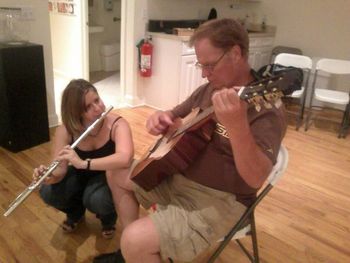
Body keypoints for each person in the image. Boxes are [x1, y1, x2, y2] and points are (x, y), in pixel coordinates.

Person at [94, 18, 287, 262]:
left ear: (236, 53)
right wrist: (160, 118)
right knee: (117, 174)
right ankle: (130, 255)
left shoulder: (267, 108)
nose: (205, 75)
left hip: (220, 200)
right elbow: (173, 115)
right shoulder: (210, 88)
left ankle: (135, 250)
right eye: (200, 65)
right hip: (177, 177)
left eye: (210, 65)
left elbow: (257, 177)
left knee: (135, 239)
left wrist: (237, 126)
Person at [34, 79, 134, 239]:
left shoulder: (117, 124)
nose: (98, 108)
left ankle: (108, 218)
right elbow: (60, 170)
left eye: (97, 100)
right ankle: (75, 211)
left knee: (96, 199)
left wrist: (83, 163)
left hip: (108, 176)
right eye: (88, 107)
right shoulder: (66, 130)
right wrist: (48, 176)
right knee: (47, 192)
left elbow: (125, 158)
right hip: (81, 175)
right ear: (76, 112)